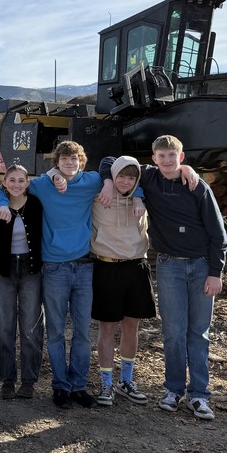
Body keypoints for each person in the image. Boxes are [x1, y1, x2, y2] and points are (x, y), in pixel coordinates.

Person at [100, 135, 227, 420]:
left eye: (173, 156)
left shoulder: (197, 186)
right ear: (154, 159)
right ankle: (172, 390)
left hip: (200, 266)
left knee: (198, 333)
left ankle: (199, 395)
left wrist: (215, 272)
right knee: (172, 332)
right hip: (169, 265)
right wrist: (108, 181)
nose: (168, 161)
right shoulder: (149, 178)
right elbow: (111, 162)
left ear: (181, 157)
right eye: (162, 156)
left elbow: (218, 234)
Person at [0, 141, 106, 410]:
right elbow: (5, 188)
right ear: (57, 162)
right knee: (55, 331)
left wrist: (113, 184)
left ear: (81, 160)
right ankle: (60, 386)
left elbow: (125, 174)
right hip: (54, 266)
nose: (69, 163)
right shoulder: (44, 184)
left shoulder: (92, 181)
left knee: (82, 332)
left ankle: (78, 385)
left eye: (74, 159)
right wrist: (1, 204)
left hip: (84, 266)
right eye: (64, 160)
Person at [91, 155, 154, 407]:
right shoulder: (98, 191)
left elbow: (165, 168)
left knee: (132, 326)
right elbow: (106, 159)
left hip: (137, 265)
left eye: (131, 177)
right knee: (107, 328)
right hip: (107, 266)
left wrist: (138, 195)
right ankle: (106, 383)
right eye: (121, 176)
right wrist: (108, 182)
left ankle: (126, 380)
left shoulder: (144, 193)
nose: (126, 181)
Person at [0, 163, 45, 400]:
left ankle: (29, 380)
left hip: (31, 270)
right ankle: (7, 379)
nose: (16, 184)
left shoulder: (35, 205)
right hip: (4, 271)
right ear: (4, 183)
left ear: (27, 183)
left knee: (31, 327)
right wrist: (0, 204)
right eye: (11, 180)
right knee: (4, 327)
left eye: (21, 180)